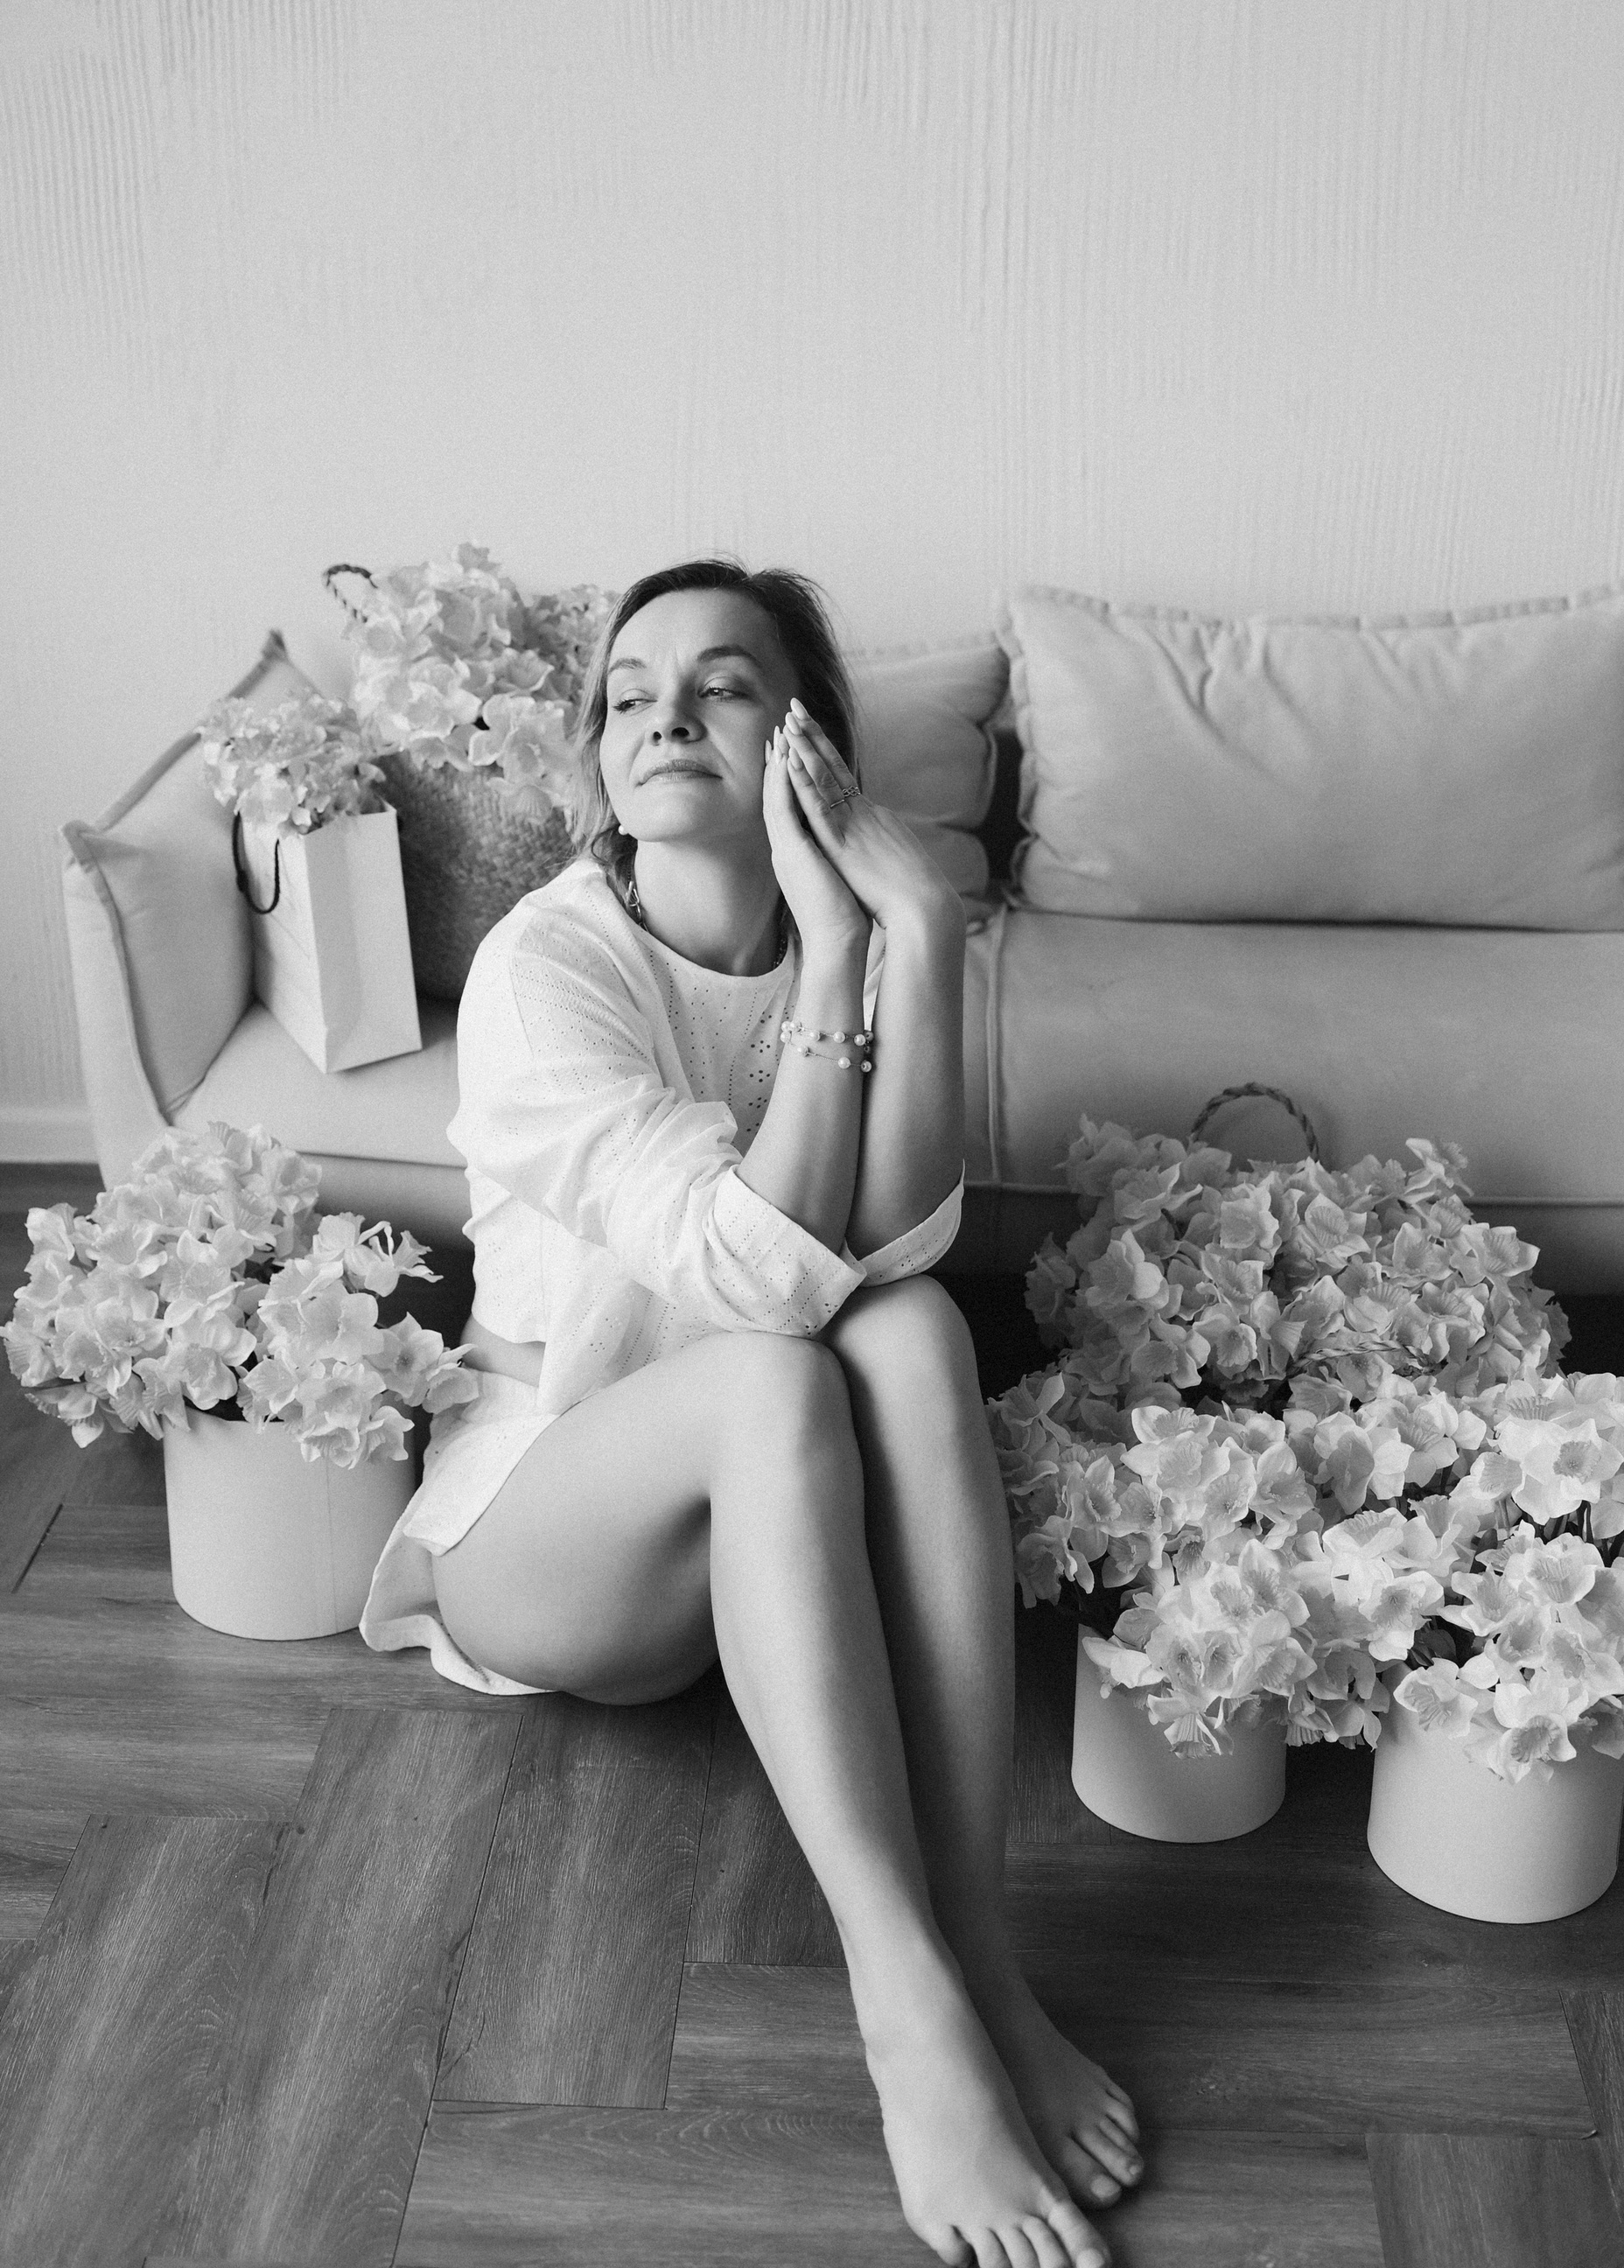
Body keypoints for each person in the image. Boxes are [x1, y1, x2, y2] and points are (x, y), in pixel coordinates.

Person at [361, 557, 1142, 2268]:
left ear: (810, 745)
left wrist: (913, 932)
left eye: (721, 683)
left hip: (749, 1510)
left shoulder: (838, 927)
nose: (665, 714)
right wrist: (848, 959)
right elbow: (759, 1282)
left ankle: (985, 1962)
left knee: (918, 1329)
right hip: (545, 1530)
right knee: (781, 1367)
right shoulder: (543, 970)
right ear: (598, 757)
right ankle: (902, 2003)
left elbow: (901, 1240)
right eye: (631, 692)